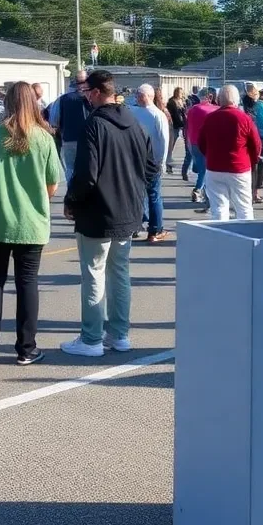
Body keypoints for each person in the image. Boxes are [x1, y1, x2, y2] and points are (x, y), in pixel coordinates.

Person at [61, 70, 157, 357]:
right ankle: (119, 334)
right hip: (128, 211)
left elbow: (86, 174)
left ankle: (91, 339)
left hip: (97, 212)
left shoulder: (95, 125)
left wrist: (72, 201)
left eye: (86, 92)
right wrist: (134, 189)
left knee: (94, 273)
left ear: (95, 92)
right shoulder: (135, 123)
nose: (85, 97)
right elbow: (152, 168)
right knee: (119, 273)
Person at [0, 82, 61, 366]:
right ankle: (26, 348)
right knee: (27, 284)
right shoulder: (44, 138)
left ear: (6, 103)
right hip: (31, 222)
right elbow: (52, 186)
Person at [197, 85, 262, 221]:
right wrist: (252, 161)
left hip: (214, 167)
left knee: (219, 208)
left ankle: (221, 238)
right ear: (236, 100)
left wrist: (210, 156)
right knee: (244, 207)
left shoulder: (210, 118)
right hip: (239, 167)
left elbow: (201, 143)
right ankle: (245, 238)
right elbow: (256, 145)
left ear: (219, 99)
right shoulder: (244, 118)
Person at [133, 84, 170, 243]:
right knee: (153, 195)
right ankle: (155, 229)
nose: (139, 97)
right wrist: (161, 162)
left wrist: (161, 161)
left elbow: (164, 141)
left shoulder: (138, 113)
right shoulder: (156, 115)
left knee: (140, 194)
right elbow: (163, 141)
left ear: (150, 96)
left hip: (143, 160)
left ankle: (138, 226)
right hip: (149, 161)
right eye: (138, 94)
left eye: (141, 95)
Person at [48, 71, 90, 187]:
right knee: (88, 166)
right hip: (89, 139)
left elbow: (54, 121)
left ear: (74, 82)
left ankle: (72, 191)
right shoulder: (92, 99)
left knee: (70, 168)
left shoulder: (62, 99)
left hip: (69, 138)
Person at [166, 86, 188, 173]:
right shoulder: (172, 102)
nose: (182, 94)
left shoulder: (182, 101)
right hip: (174, 125)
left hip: (180, 125)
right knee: (170, 144)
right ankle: (168, 162)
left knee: (174, 143)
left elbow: (183, 113)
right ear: (176, 93)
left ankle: (169, 160)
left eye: (182, 93)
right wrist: (182, 124)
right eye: (180, 93)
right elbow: (175, 115)